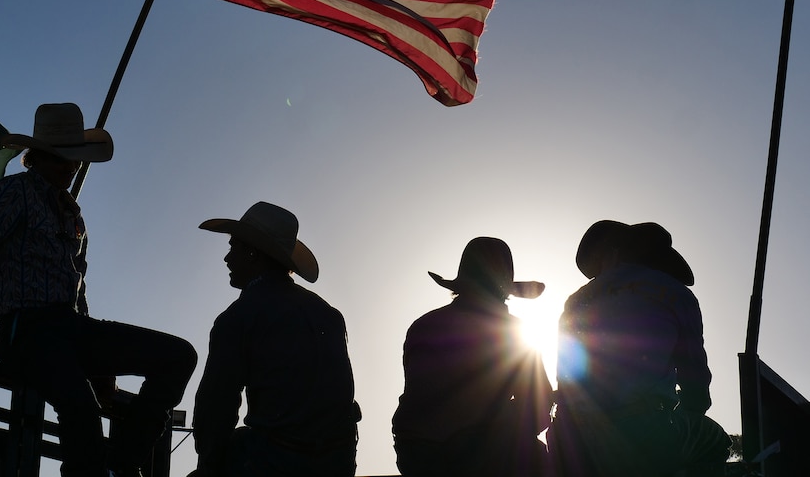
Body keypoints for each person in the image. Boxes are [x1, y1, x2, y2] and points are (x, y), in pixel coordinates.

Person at [0, 103, 198, 477]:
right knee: (81, 414)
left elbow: (77, 291)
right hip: (26, 331)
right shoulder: (11, 192)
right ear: (38, 157)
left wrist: (100, 370)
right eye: (62, 160)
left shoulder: (73, 213)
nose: (71, 168)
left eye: (75, 161)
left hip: (71, 328)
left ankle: (124, 464)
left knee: (179, 355)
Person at [190, 201, 360, 477]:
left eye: (233, 247)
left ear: (253, 254)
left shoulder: (237, 318)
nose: (227, 258)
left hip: (276, 463)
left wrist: (208, 467)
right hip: (337, 464)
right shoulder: (328, 313)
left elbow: (215, 410)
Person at [548, 220, 731, 476]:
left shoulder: (575, 301)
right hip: (641, 432)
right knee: (717, 443)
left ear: (614, 254)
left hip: (570, 437)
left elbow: (565, 375)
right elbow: (696, 384)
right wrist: (684, 412)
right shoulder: (677, 293)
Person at [392, 237, 554, 477]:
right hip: (481, 456)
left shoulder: (423, 326)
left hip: (417, 453)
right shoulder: (515, 333)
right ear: (505, 290)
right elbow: (537, 408)